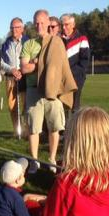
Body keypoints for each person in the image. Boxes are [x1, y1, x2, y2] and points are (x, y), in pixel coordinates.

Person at [21, 9, 77, 173]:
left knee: (55, 127)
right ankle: (34, 161)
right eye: (36, 23)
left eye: (42, 22)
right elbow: (24, 68)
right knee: (34, 128)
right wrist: (40, 64)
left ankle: (52, 158)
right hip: (33, 90)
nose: (39, 25)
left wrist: (36, 63)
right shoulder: (29, 44)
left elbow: (59, 66)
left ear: (48, 23)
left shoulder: (57, 43)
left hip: (53, 91)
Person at [0, 17, 27, 136]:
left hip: (25, 77)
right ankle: (17, 130)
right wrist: (12, 69)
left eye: (17, 27)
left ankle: (27, 130)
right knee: (12, 106)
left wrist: (21, 71)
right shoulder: (6, 44)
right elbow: (0, 62)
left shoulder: (28, 41)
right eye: (12, 27)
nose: (14, 30)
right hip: (11, 77)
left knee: (27, 105)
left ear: (22, 28)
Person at [61, 14, 90, 111]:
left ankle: (74, 126)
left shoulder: (82, 39)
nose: (64, 27)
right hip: (61, 79)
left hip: (77, 78)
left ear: (73, 24)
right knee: (62, 105)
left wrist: (70, 73)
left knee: (75, 106)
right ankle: (63, 126)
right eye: (62, 25)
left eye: (67, 24)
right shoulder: (59, 39)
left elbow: (84, 61)